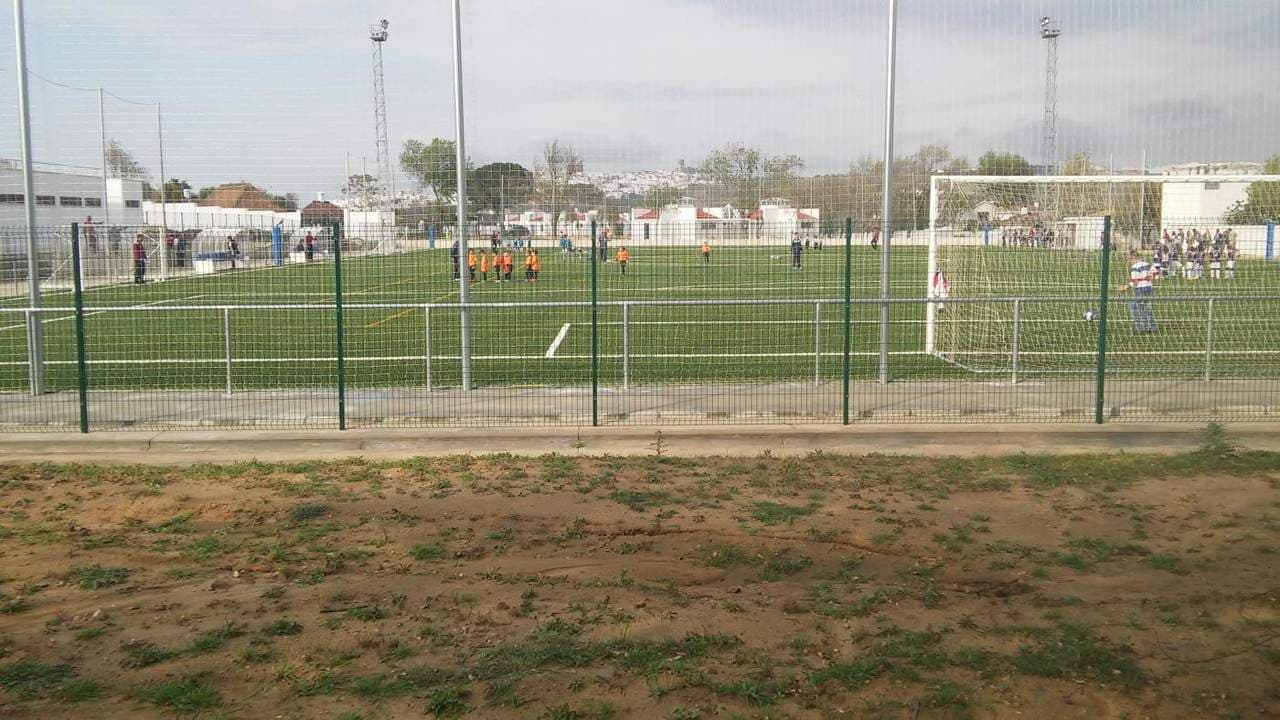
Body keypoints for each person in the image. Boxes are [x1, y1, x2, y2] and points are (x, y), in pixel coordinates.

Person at [1126, 252, 1158, 333]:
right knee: (1146, 307)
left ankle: (1140, 327)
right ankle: (1152, 326)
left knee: (1133, 306)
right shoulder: (1147, 264)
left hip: (1140, 289)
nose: (1128, 262)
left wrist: (1127, 286)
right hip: (1149, 288)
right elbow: (1156, 274)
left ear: (1133, 257)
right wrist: (1151, 278)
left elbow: (1134, 281)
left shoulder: (1134, 267)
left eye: (1128, 259)